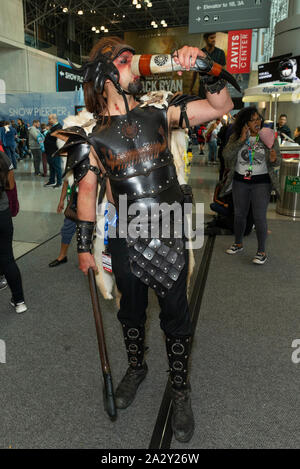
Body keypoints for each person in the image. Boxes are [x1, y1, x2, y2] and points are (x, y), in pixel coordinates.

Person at [55, 36, 233, 443]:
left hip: (168, 225)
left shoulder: (159, 112)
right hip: (124, 232)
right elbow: (86, 192)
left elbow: (221, 106)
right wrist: (83, 248)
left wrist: (205, 68)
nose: (133, 64)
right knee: (130, 313)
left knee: (176, 315)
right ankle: (137, 367)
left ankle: (181, 389)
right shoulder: (92, 136)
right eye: (123, 60)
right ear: (104, 75)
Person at [222, 106, 281, 264]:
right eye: (253, 120)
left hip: (261, 182)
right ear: (245, 123)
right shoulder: (236, 136)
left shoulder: (268, 136)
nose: (257, 122)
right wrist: (241, 140)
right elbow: (226, 156)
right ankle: (238, 243)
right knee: (239, 214)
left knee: (259, 216)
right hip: (240, 181)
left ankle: (261, 251)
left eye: (258, 119)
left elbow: (278, 161)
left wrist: (275, 159)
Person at [0, 151, 27, 313]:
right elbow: (10, 185)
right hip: (2, 213)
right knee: (8, 258)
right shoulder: (2, 157)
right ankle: (19, 302)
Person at [48, 180, 77, 267]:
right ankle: (62, 256)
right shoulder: (71, 168)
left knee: (91, 233)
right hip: (73, 206)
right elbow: (66, 183)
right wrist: (61, 200)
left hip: (90, 204)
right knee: (66, 230)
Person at [189, 32, 226, 99]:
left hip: (216, 86)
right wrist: (191, 88)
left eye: (214, 37)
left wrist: (222, 88)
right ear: (205, 39)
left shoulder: (220, 53)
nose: (214, 40)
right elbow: (195, 73)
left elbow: (224, 72)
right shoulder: (200, 53)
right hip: (203, 87)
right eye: (211, 38)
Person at [44, 114, 62, 188]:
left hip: (54, 151)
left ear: (54, 119)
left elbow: (57, 140)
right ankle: (52, 181)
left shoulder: (58, 127)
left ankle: (59, 182)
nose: (48, 120)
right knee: (51, 167)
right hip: (49, 151)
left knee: (57, 167)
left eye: (49, 119)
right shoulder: (53, 127)